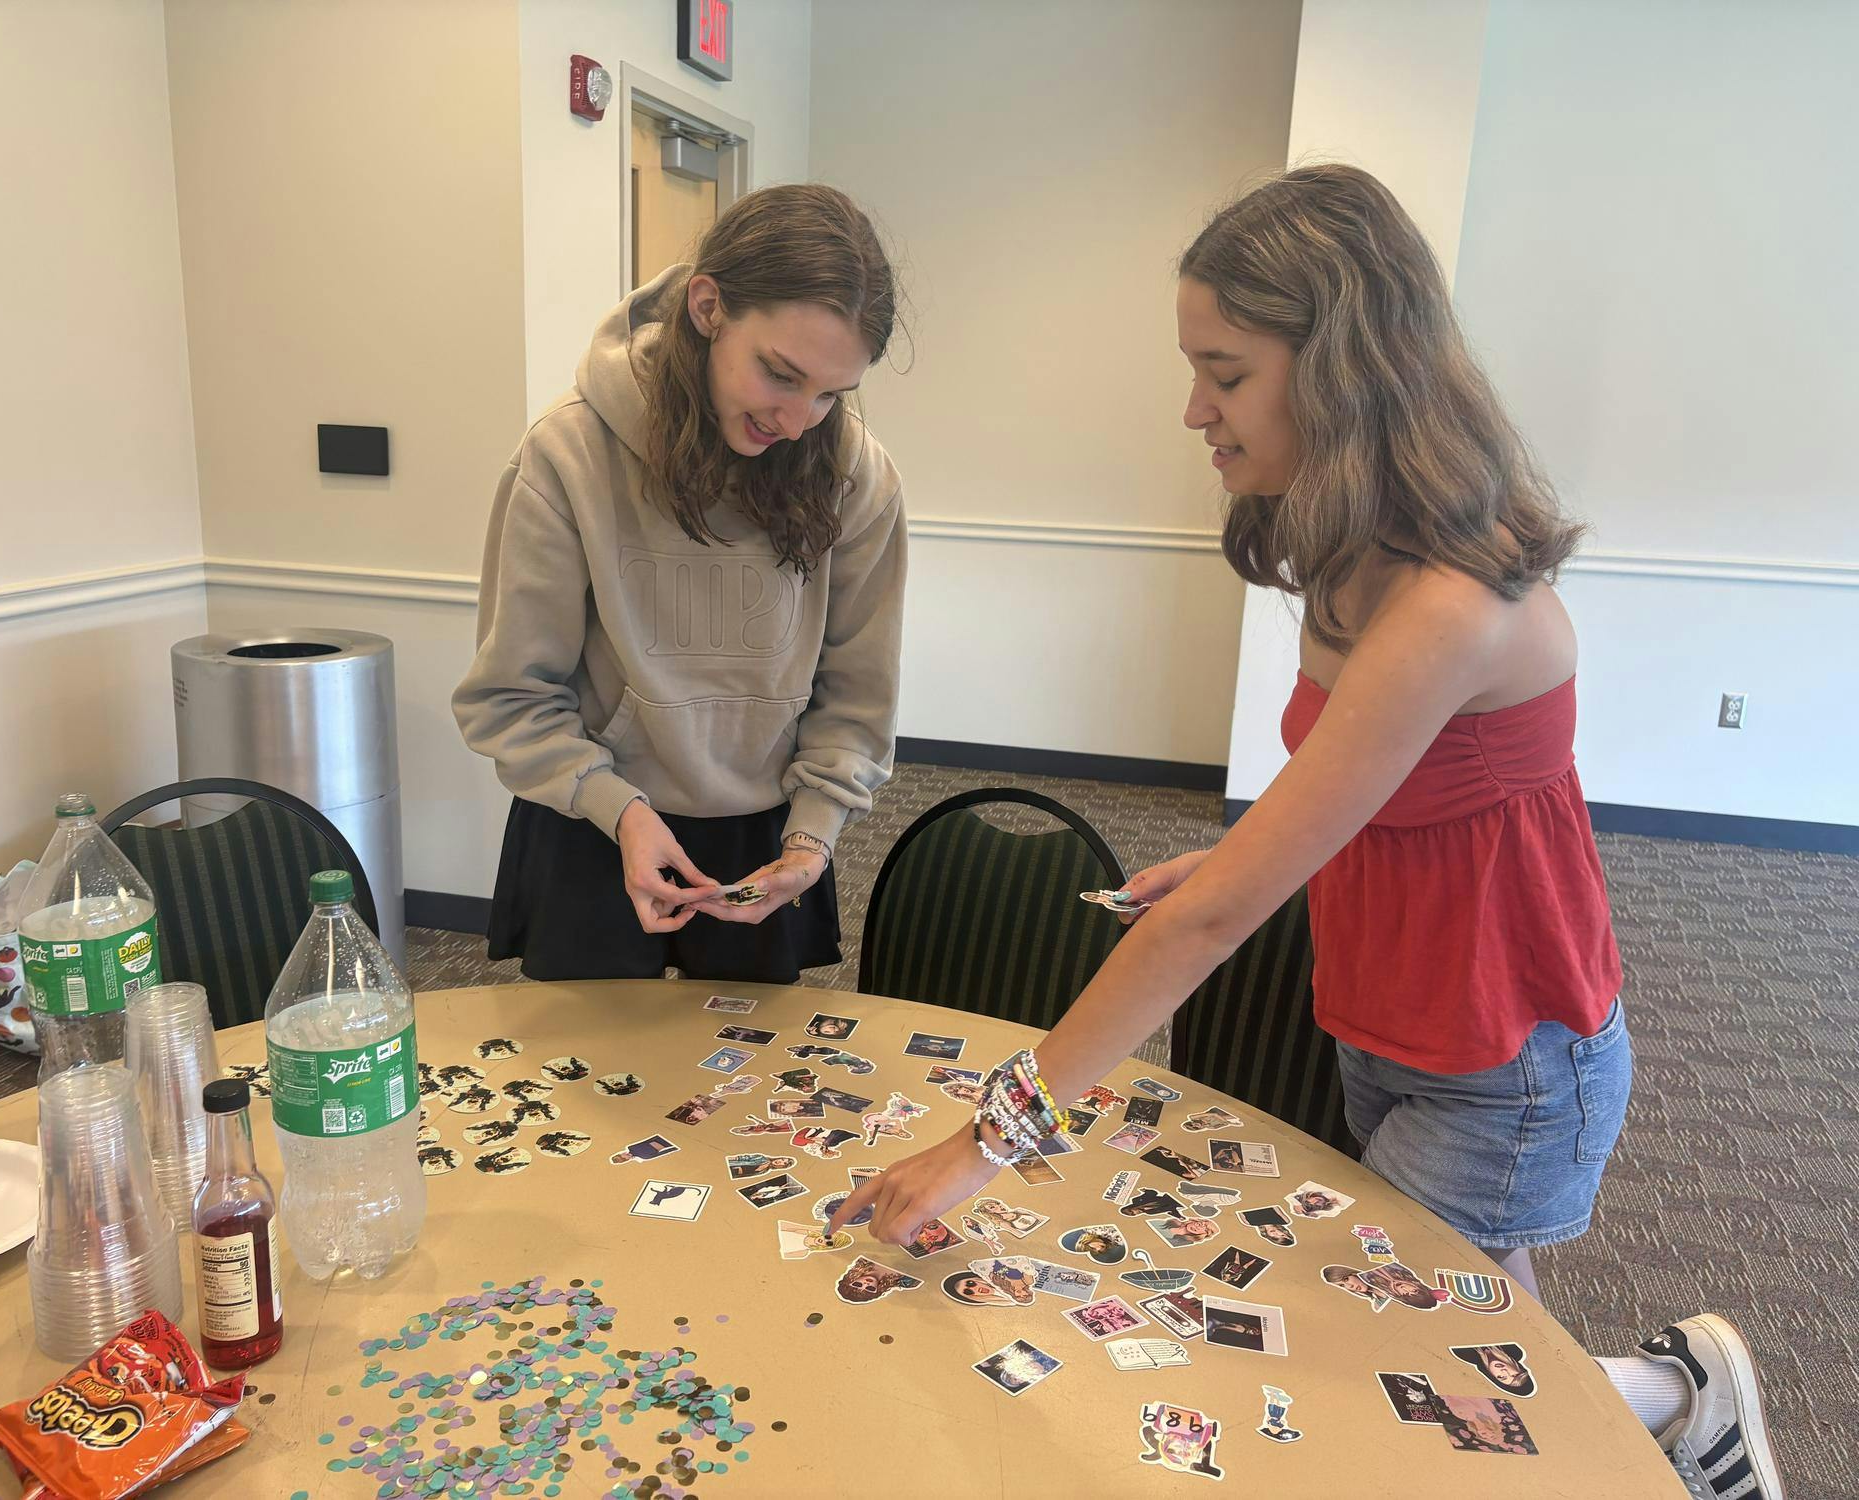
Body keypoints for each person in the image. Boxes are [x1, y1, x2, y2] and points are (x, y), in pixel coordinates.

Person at [830, 165, 1783, 1497]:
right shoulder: (1355, 546)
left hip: (1508, 1061)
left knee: (1412, 1377)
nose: (1193, 410)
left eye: (1224, 372)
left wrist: (984, 1145)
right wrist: (1230, 855)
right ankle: (1681, 1396)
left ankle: (1673, 1408)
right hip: (1394, 1015)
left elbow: (1221, 928)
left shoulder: (1452, 602)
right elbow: (1352, 802)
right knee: (1482, 1352)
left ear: (1337, 369)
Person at [455, 184, 906, 985]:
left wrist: (812, 840)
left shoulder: (855, 473)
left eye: (833, 392)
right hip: (591, 820)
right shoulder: (568, 455)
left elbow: (856, 699)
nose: (801, 419)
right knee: (583, 1089)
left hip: (767, 836)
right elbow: (512, 697)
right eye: (780, 374)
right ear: (707, 307)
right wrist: (619, 811)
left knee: (753, 1093)